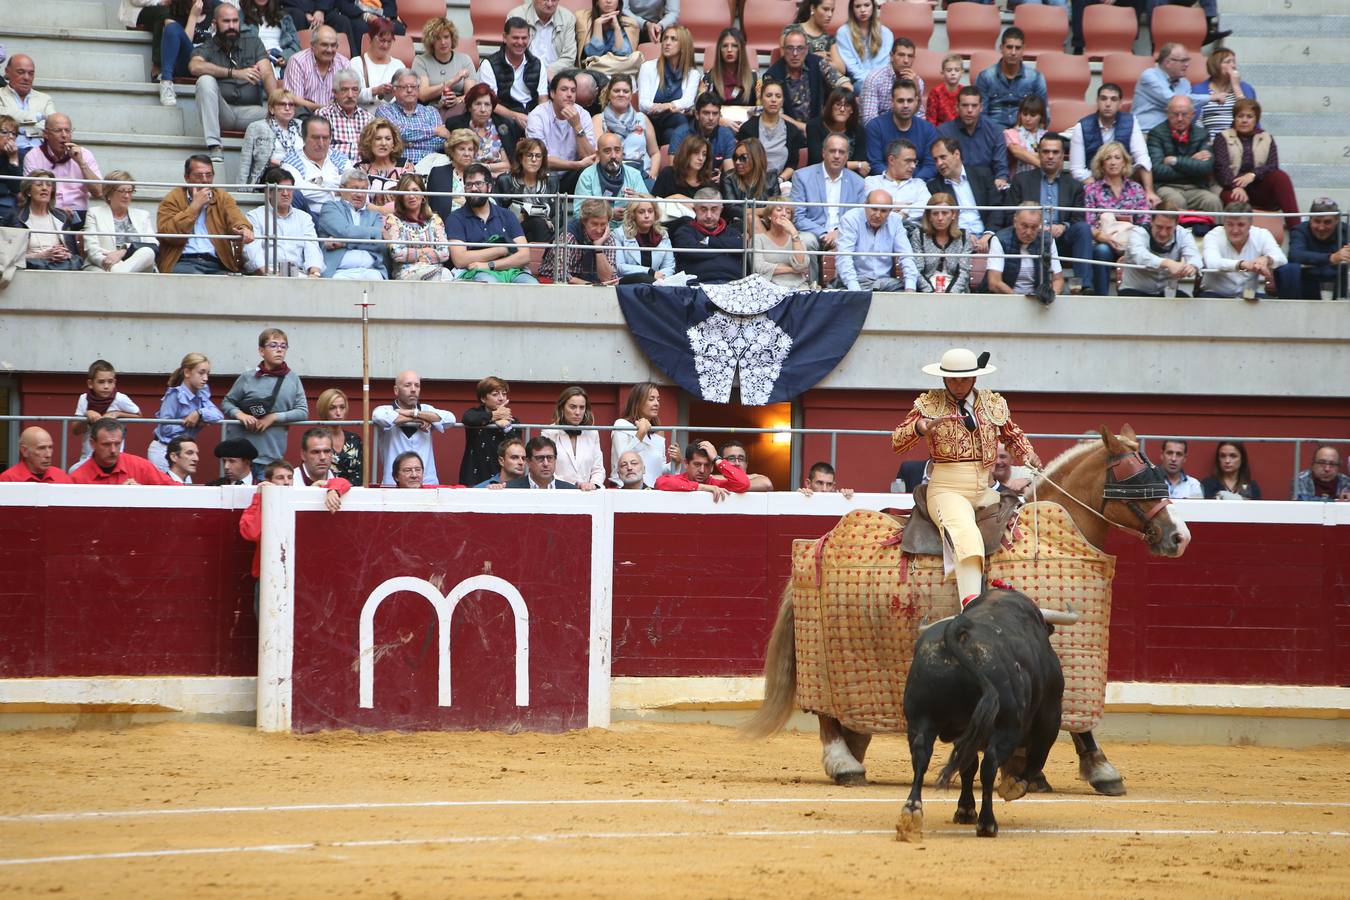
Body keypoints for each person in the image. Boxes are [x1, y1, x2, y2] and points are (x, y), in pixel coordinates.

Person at [891, 348, 1040, 606]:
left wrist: (1028, 454)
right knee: (966, 534)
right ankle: (971, 609)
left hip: (985, 488)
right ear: (944, 379)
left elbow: (1012, 435)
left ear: (974, 378)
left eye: (963, 379)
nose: (958, 385)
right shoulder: (929, 404)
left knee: (1020, 525)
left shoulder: (992, 404)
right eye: (952, 380)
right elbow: (897, 441)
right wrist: (919, 427)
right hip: (947, 490)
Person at [188, 3, 279, 163]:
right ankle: (215, 146)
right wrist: (235, 73)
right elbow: (195, 66)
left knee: (286, 113)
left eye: (235, 21)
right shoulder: (208, 46)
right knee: (204, 80)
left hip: (252, 112)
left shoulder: (253, 43)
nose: (232, 26)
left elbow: (266, 73)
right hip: (223, 113)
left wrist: (275, 104)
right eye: (226, 21)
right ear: (214, 24)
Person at [1005, 133, 1092, 293]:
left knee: (1083, 229)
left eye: (1055, 152)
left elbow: (1078, 218)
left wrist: (1063, 226)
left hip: (1062, 239)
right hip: (1031, 236)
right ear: (1039, 154)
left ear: (1062, 156)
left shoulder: (1075, 185)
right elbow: (1010, 214)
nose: (1050, 156)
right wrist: (1034, 227)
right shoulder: (1021, 180)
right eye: (1045, 152)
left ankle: (1084, 286)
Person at [222, 327, 309, 481]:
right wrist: (240, 415)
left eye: (283, 346)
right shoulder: (247, 378)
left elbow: (303, 411)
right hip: (242, 459)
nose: (279, 350)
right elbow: (227, 402)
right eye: (273, 345)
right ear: (261, 351)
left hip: (271, 458)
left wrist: (274, 417)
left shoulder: (293, 379)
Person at [157, 153, 254, 274]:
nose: (204, 180)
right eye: (199, 175)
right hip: (183, 261)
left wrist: (244, 229)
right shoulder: (172, 198)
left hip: (217, 263)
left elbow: (236, 218)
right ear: (187, 177)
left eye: (209, 175)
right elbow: (167, 235)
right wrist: (193, 208)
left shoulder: (222, 197)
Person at [445, 163, 538, 283]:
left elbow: (524, 256)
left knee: (531, 284)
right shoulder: (455, 218)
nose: (473, 189)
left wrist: (490, 264)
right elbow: (460, 259)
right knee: (489, 284)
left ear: (489, 187)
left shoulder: (507, 215)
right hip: (476, 272)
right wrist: (502, 249)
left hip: (511, 271)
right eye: (469, 184)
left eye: (478, 184)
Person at [1212, 99, 1299, 225]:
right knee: (1237, 198)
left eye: (1249, 116)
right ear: (1234, 118)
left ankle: (1296, 230)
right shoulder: (1222, 137)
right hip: (1230, 187)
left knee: (1281, 177)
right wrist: (1236, 186)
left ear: (1256, 119)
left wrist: (1253, 174)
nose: (1244, 120)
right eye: (1240, 116)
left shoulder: (1266, 137)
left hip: (1258, 186)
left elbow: (1272, 166)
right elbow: (1221, 168)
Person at [1082, 140, 1152, 295]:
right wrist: (1107, 238)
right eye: (1108, 158)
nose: (1113, 162)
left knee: (1140, 250)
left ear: (1125, 162)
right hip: (1104, 241)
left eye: (1117, 157)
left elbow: (1145, 220)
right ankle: (1102, 298)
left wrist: (1129, 242)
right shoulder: (1091, 190)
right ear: (1101, 164)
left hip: (1132, 241)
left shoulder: (1136, 188)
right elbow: (1089, 223)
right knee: (1101, 251)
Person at [1068, 83, 1154, 200]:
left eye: (1113, 99)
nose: (1108, 104)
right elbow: (1077, 169)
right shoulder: (1082, 126)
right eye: (1103, 99)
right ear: (1097, 101)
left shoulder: (1131, 122)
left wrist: (1149, 191)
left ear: (1120, 104)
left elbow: (1142, 158)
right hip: (1092, 183)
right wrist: (1099, 188)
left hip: (1124, 182)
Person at [926, 137, 1000, 270]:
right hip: (956, 237)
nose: (939, 163)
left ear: (956, 154)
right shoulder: (934, 186)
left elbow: (997, 207)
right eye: (935, 159)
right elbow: (939, 219)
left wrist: (988, 234)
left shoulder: (982, 174)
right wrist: (962, 234)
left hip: (987, 234)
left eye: (943, 157)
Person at [372, 370, 454, 486]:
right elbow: (379, 416)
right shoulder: (385, 409)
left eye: (417, 385)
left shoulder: (426, 409)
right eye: (407, 385)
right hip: (393, 484)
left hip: (427, 482)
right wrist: (419, 418)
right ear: (396, 390)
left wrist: (414, 414)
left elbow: (451, 419)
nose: (413, 389)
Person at [791, 133, 867, 254]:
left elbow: (860, 217)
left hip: (845, 234)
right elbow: (797, 216)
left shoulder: (858, 182)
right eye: (832, 151)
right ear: (823, 153)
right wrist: (824, 234)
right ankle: (813, 274)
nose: (837, 156)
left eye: (841, 152)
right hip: (813, 233)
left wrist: (839, 233)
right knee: (806, 241)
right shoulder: (802, 176)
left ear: (847, 156)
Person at [1147, 94, 1221, 216]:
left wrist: (1174, 161)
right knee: (1176, 202)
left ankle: (1214, 235)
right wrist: (1191, 163)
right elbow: (1157, 170)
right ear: (1167, 113)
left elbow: (1205, 168)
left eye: (1185, 114)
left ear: (1193, 114)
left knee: (1213, 201)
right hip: (1167, 186)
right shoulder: (1156, 134)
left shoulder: (1202, 134)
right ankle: (1178, 235)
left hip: (1195, 186)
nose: (1180, 118)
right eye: (1175, 114)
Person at [148, 351, 223, 472]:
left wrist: (199, 413)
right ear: (187, 372)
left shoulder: (201, 394)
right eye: (201, 373)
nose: (205, 378)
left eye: (207, 374)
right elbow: (165, 428)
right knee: (172, 487)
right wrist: (189, 424)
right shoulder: (174, 395)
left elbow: (218, 415)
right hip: (164, 450)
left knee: (183, 487)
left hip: (182, 452)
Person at [20, 114, 103, 222]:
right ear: (46, 134)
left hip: (79, 214)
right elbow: (31, 193)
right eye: (58, 130)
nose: (64, 135)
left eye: (67, 131)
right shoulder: (33, 156)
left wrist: (81, 163)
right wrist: (58, 211)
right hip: (47, 212)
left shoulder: (84, 154)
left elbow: (99, 192)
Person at [244, 167, 324, 276]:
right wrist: (267, 273)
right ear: (269, 193)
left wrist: (314, 273)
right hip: (268, 274)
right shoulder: (254, 216)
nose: (286, 194)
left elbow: (312, 248)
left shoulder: (304, 218)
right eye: (280, 189)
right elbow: (252, 251)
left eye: (289, 189)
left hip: (298, 274)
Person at [526, 71, 598, 191]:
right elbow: (538, 159)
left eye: (573, 91)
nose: (569, 95)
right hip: (543, 175)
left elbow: (589, 157)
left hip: (572, 176)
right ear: (552, 93)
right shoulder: (537, 115)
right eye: (564, 89)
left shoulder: (583, 115)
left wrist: (577, 127)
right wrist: (576, 165)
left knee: (590, 171)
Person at [835, 189, 918, 291]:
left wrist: (910, 287)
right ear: (865, 205)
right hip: (856, 282)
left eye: (883, 211)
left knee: (909, 292)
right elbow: (844, 257)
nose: (878, 215)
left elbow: (906, 255)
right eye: (874, 209)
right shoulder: (851, 219)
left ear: (890, 211)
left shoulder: (895, 220)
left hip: (885, 283)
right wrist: (855, 291)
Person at [1200, 202, 1287, 299]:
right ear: (1224, 223)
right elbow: (1212, 263)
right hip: (1215, 294)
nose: (1235, 230)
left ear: (1250, 224)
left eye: (1241, 225)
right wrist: (1242, 264)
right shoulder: (1213, 235)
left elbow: (1282, 259)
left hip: (1248, 295)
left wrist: (1267, 259)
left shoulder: (1262, 234)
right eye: (1230, 224)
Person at [477, 17, 548, 132]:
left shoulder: (537, 63)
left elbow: (543, 99)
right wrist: (515, 115)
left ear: (529, 38)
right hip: (505, 116)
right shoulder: (489, 64)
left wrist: (538, 119)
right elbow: (490, 102)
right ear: (504, 37)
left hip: (532, 115)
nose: (520, 42)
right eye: (515, 38)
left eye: (524, 38)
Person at [316, 167, 389, 279]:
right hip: (338, 271)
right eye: (355, 189)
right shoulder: (331, 207)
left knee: (376, 280)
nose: (359, 194)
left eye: (363, 190)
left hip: (371, 270)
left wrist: (345, 243)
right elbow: (344, 231)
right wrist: (375, 232)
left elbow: (380, 243)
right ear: (341, 189)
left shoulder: (374, 215)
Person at [3, 170, 82, 271]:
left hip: (60, 268)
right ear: (28, 192)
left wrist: (65, 254)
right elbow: (7, 256)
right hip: (29, 270)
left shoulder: (62, 216)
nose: (45, 188)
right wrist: (41, 255)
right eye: (39, 185)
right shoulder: (14, 216)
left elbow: (73, 253)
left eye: (49, 185)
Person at [1120, 200, 1200, 297]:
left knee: (1189, 303)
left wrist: (1192, 267)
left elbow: (1195, 258)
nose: (1163, 233)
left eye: (1169, 228)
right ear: (1151, 221)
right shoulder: (1138, 233)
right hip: (1134, 290)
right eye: (1159, 227)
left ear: (1176, 225)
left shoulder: (1183, 234)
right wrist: (1168, 263)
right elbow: (1139, 256)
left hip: (1167, 292)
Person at [864, 80, 937, 184]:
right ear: (892, 102)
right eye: (900, 101)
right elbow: (875, 163)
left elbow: (930, 165)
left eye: (910, 100)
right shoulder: (875, 127)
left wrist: (913, 183)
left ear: (917, 101)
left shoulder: (928, 129)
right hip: (884, 184)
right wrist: (894, 181)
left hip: (919, 184)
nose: (905, 105)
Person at [70, 359, 140, 469]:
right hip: (88, 457)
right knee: (72, 471)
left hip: (115, 457)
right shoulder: (84, 399)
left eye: (110, 381)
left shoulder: (120, 398)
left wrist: (118, 414)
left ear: (115, 383)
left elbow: (139, 415)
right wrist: (87, 415)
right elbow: (75, 430)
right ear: (90, 384)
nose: (106, 386)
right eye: (101, 382)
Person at [637, 25, 700, 145]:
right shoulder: (648, 67)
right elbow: (643, 104)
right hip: (651, 121)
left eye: (673, 39)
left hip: (673, 124)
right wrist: (664, 108)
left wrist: (666, 106)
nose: (667, 43)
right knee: (679, 119)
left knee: (672, 133)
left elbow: (688, 101)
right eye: (665, 38)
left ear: (683, 46)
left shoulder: (693, 73)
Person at [375, 68, 452, 167]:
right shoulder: (384, 110)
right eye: (404, 87)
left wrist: (406, 144)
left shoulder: (431, 111)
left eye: (413, 86)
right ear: (394, 90)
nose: (409, 90)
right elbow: (398, 133)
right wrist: (434, 131)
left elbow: (441, 142)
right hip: (398, 165)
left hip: (430, 164)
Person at [383, 172, 452, 281]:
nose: (411, 196)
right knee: (444, 275)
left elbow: (444, 253)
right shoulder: (392, 220)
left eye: (415, 190)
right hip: (406, 273)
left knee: (444, 275)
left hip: (436, 271)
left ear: (423, 195)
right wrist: (426, 252)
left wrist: (412, 254)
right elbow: (396, 253)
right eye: (406, 192)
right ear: (400, 197)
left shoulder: (435, 220)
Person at [936, 87, 1010, 189]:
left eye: (974, 106)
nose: (969, 110)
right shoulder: (943, 132)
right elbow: (939, 166)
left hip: (988, 186)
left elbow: (1001, 165)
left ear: (981, 107)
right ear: (957, 107)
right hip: (954, 184)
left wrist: (1001, 178)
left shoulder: (995, 131)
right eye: (965, 105)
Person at [1277, 199, 1350, 301]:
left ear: (1337, 220)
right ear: (1310, 219)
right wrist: (1331, 258)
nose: (1321, 227)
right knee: (1289, 269)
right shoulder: (1300, 230)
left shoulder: (1345, 230)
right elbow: (1295, 255)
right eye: (1317, 221)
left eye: (1327, 222)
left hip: (1338, 286)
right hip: (1306, 286)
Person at [987, 203, 1064, 301]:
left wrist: (1050, 297)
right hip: (1005, 300)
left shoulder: (1048, 240)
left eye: (1034, 227)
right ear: (1015, 222)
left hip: (1038, 302)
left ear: (1040, 225)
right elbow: (994, 282)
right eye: (1024, 226)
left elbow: (1058, 279)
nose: (1028, 232)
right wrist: (1019, 302)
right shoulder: (1000, 239)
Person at [974, 27, 1046, 131]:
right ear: (1001, 48)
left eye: (1017, 48)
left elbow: (1043, 116)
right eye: (1009, 47)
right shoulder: (985, 77)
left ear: (1023, 49)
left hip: (1025, 134)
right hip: (993, 134)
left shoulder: (1035, 78)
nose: (1013, 52)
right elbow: (981, 115)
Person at [609, 381, 679, 487]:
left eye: (658, 399)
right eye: (651, 399)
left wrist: (676, 462)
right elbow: (621, 462)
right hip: (626, 490)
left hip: (652, 493)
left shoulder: (659, 432)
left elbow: (660, 469)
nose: (657, 403)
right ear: (637, 401)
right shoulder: (621, 424)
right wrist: (640, 434)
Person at [593, 74, 660, 186]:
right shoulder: (599, 119)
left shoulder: (642, 119)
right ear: (609, 94)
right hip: (612, 174)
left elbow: (655, 153)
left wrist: (652, 174)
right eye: (616, 90)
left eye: (625, 91)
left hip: (641, 174)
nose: (621, 94)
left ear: (630, 95)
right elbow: (598, 153)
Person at [494, 137, 560, 248]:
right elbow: (498, 213)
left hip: (544, 231)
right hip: (513, 231)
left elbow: (558, 215)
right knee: (537, 222)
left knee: (538, 223)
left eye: (538, 156)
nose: (534, 160)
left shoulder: (551, 180)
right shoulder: (505, 180)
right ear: (520, 158)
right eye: (529, 155)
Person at [70, 419, 179, 486]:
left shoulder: (141, 467)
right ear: (92, 443)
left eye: (117, 444)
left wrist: (144, 494)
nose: (113, 450)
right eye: (106, 444)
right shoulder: (78, 478)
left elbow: (174, 489)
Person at [670, 189, 744, 285]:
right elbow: (692, 252)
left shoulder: (732, 232)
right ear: (694, 210)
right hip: (699, 285)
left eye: (714, 209)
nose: (709, 216)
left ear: (721, 210)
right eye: (703, 209)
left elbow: (741, 246)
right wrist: (725, 249)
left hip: (733, 283)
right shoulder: (685, 231)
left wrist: (709, 241)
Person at [737, 80, 805, 182]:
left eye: (778, 96)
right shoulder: (747, 128)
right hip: (751, 181)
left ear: (782, 101)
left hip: (782, 182)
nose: (773, 100)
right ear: (761, 99)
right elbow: (742, 161)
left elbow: (792, 164)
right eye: (769, 95)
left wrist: (779, 181)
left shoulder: (792, 131)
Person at [765, 25, 833, 127]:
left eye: (800, 48)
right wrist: (802, 127)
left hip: (819, 128)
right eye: (790, 48)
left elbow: (842, 82)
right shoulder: (772, 75)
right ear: (783, 50)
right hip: (787, 131)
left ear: (806, 50)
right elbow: (773, 112)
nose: (795, 53)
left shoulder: (818, 63)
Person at [542, 386, 607, 490]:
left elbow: (598, 469)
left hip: (587, 493)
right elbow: (546, 468)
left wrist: (593, 485)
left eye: (582, 407)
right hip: (558, 492)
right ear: (562, 407)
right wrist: (569, 487)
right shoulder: (549, 432)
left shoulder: (592, 433)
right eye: (573, 407)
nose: (577, 412)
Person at [542, 198, 619, 285]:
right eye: (594, 224)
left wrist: (599, 249)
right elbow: (562, 277)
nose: (599, 230)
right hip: (554, 285)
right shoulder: (568, 237)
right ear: (584, 221)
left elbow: (609, 279)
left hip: (591, 285)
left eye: (603, 224)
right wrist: (592, 286)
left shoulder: (607, 238)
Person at [414, 17, 477, 121]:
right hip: (429, 110)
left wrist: (456, 100)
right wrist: (454, 80)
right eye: (438, 38)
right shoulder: (420, 61)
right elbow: (423, 95)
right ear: (431, 41)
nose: (443, 42)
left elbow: (471, 95)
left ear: (452, 38)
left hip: (460, 109)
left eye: (446, 37)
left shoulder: (464, 59)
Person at [446, 84, 517, 178]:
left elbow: (508, 165)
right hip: (466, 178)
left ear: (492, 108)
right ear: (470, 107)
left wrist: (485, 168)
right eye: (478, 104)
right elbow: (457, 162)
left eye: (487, 104)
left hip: (498, 179)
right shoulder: (456, 125)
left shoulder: (503, 125)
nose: (483, 110)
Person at [908, 192, 972, 294]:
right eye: (935, 213)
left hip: (956, 293)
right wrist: (931, 293)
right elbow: (917, 271)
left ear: (953, 214)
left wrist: (949, 295)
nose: (940, 218)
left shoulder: (964, 236)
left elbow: (963, 272)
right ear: (929, 216)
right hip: (926, 292)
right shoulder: (919, 235)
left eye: (945, 213)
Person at [281, 115, 348, 211]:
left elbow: (353, 185)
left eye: (325, 138)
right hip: (309, 216)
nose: (321, 143)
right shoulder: (290, 161)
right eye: (315, 138)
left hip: (343, 214)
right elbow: (299, 191)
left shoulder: (340, 158)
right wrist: (337, 191)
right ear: (303, 137)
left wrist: (320, 181)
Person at [574, 132, 649, 218]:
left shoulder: (634, 174)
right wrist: (609, 214)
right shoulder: (587, 176)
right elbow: (578, 213)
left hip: (629, 228)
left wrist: (637, 200)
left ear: (622, 152)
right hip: (598, 229)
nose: (613, 156)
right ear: (598, 154)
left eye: (617, 150)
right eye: (607, 151)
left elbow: (648, 207)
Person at [460, 376, 517, 486]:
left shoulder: (512, 420)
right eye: (495, 394)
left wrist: (506, 427)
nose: (501, 398)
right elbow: (468, 418)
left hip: (501, 477)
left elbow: (517, 443)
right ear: (483, 398)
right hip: (475, 474)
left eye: (504, 394)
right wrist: (493, 416)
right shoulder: (474, 413)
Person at [240, 89, 305, 185]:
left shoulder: (301, 126)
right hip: (272, 175)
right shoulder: (256, 127)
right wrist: (241, 190)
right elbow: (245, 162)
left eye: (291, 105)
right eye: (282, 104)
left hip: (301, 172)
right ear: (271, 109)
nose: (287, 108)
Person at [1191, 47, 1256, 141]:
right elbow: (1194, 120)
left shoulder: (1245, 88)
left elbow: (1249, 114)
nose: (1233, 65)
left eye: (1234, 62)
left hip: (1238, 142)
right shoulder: (1198, 89)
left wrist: (1236, 86)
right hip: (1208, 142)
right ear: (1216, 65)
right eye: (1228, 62)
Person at [282, 24, 351, 113]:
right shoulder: (297, 61)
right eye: (324, 45)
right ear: (313, 46)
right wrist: (323, 107)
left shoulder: (344, 63)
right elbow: (295, 100)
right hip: (305, 116)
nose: (329, 50)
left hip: (335, 116)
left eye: (333, 45)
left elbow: (348, 97)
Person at [858, 37, 926, 125]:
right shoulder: (875, 78)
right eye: (901, 55)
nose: (906, 60)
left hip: (906, 130)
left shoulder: (917, 82)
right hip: (879, 130)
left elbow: (920, 116)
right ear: (891, 56)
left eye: (910, 56)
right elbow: (869, 120)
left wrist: (916, 88)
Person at [1132, 43, 1195, 134]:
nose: (1187, 65)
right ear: (1168, 63)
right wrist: (1210, 97)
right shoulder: (1149, 75)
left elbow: (1187, 108)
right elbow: (1172, 101)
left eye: (1187, 60)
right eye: (1183, 61)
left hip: (1175, 134)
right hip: (1147, 132)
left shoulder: (1185, 83)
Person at [654, 440, 750, 499]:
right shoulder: (678, 480)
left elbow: (743, 483)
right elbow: (660, 483)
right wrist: (702, 487)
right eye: (697, 464)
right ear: (686, 464)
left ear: (712, 467)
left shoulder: (716, 485)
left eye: (707, 465)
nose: (702, 470)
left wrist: (717, 458)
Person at [508, 0, 579, 80]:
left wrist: (549, 71)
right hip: (525, 72)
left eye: (554, 0)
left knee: (584, 83)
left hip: (558, 74)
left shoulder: (568, 18)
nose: (550, 4)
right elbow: (512, 53)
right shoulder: (517, 15)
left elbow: (569, 57)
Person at [864, 138, 930, 222]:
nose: (913, 166)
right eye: (908, 161)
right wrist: (911, 207)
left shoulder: (919, 184)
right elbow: (874, 207)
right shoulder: (872, 181)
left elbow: (928, 206)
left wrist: (904, 213)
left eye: (914, 161)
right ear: (891, 160)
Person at [753, 197, 812, 289]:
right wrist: (792, 270)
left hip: (799, 287)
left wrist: (794, 233)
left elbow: (801, 265)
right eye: (779, 210)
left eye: (788, 212)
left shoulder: (797, 238)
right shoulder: (758, 239)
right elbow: (759, 267)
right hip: (770, 287)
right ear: (769, 215)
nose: (784, 214)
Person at [806, 88, 868, 176]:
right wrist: (856, 164)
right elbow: (817, 160)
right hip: (817, 176)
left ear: (852, 110)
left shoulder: (859, 130)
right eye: (838, 104)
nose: (842, 109)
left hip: (848, 178)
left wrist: (859, 164)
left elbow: (862, 164)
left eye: (847, 106)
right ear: (830, 106)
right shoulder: (814, 126)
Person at [721, 139, 779, 231]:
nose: (737, 162)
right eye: (735, 158)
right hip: (738, 225)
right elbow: (731, 210)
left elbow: (776, 208)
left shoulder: (771, 178)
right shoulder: (729, 177)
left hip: (768, 223)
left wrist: (764, 213)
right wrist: (763, 211)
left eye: (743, 158)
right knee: (752, 220)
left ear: (756, 158)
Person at [613, 196, 675, 283]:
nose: (647, 216)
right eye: (641, 212)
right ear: (633, 215)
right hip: (630, 283)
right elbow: (620, 267)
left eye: (650, 211)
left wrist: (661, 278)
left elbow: (669, 266)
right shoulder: (619, 234)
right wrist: (650, 272)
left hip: (658, 283)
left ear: (655, 213)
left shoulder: (662, 234)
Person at [353, 118, 409, 213]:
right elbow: (356, 200)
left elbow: (412, 198)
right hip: (367, 219)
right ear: (369, 142)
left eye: (388, 139)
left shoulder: (405, 166)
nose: (383, 143)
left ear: (393, 144)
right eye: (378, 139)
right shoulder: (361, 168)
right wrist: (381, 210)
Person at [0, 55, 56, 150]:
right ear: (7, 72)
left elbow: (53, 128)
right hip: (7, 153)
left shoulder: (45, 99)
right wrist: (36, 118)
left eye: (31, 73)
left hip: (39, 153)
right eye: (20, 72)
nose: (26, 77)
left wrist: (18, 128)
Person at [671, 93, 737, 173]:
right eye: (706, 113)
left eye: (715, 113)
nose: (711, 118)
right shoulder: (680, 134)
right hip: (686, 180)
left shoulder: (726, 134)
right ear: (697, 114)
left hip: (714, 183)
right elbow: (674, 170)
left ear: (720, 115)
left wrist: (723, 178)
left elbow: (729, 172)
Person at [317, 70, 374, 163]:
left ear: (359, 92)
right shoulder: (324, 115)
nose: (350, 95)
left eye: (355, 89)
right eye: (344, 90)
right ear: (335, 93)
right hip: (334, 170)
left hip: (362, 171)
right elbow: (318, 149)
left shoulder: (368, 118)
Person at [831, 0, 892, 86]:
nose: (862, 10)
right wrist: (871, 83)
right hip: (857, 81)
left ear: (873, 7)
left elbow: (882, 65)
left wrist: (877, 82)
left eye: (867, 5)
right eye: (858, 6)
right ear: (852, 9)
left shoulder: (886, 33)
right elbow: (852, 67)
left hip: (881, 81)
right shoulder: (843, 32)